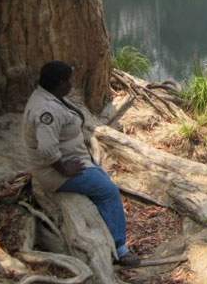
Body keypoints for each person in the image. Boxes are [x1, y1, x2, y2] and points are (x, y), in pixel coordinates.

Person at [22, 61, 139, 266]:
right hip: (55, 172)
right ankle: (120, 248)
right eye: (69, 80)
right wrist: (63, 169)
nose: (72, 83)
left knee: (103, 179)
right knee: (109, 192)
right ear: (60, 83)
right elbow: (47, 148)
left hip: (74, 158)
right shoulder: (47, 110)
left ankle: (110, 226)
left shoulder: (48, 96)